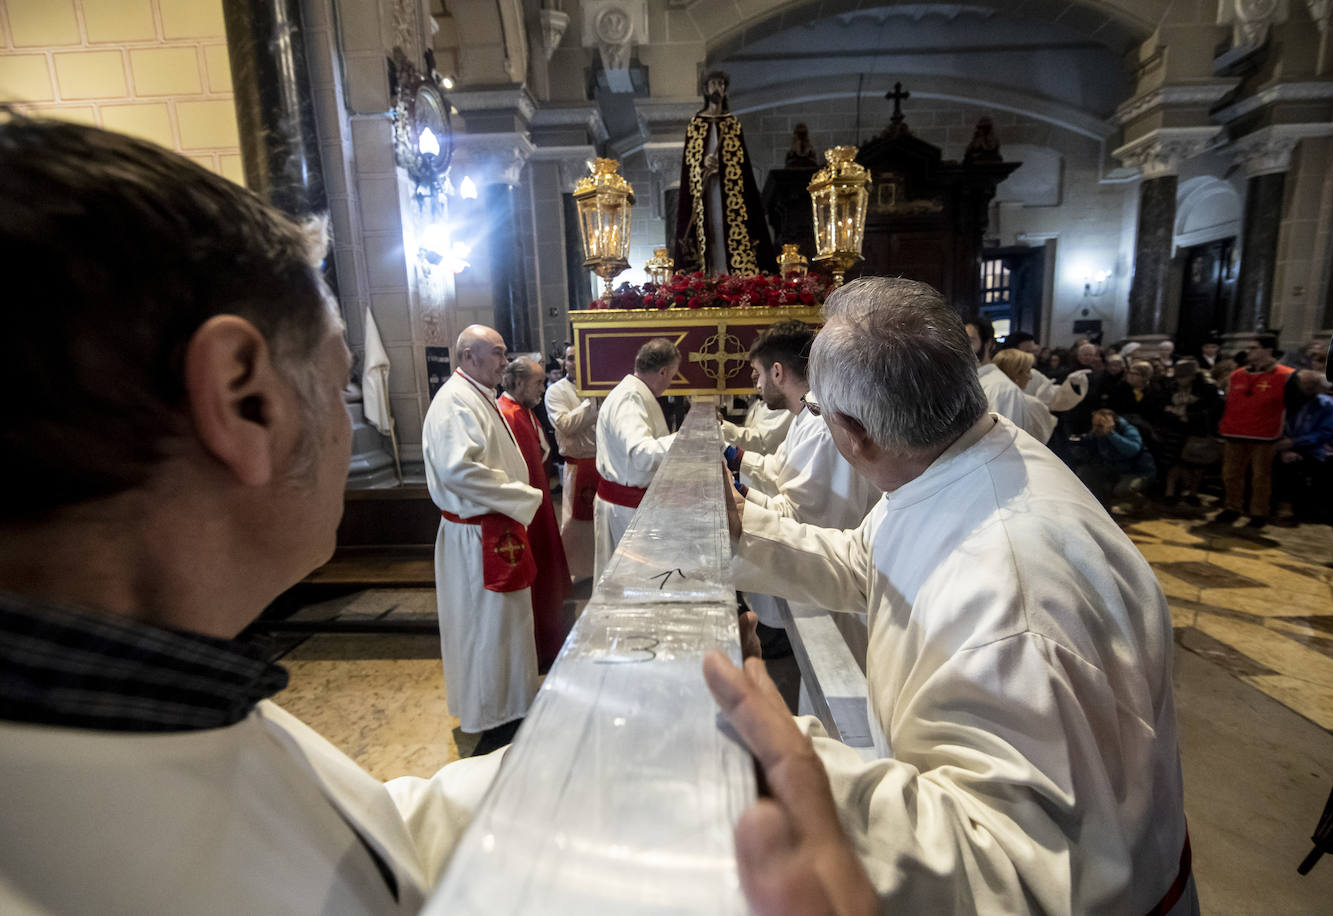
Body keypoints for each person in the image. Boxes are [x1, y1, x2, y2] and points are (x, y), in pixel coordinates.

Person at [0, 114, 880, 916]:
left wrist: (614, 748)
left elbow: (365, 843)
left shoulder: (144, 706)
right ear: (245, 399)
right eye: (337, 377)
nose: (352, 424)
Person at [727, 277, 1193, 914]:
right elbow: (867, 562)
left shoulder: (1011, 597)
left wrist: (779, 759)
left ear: (853, 432)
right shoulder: (959, 459)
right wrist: (744, 524)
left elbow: (1007, 864)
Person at [424, 325, 545, 753]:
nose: (504, 360)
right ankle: (495, 722)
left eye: (504, 352)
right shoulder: (456, 401)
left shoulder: (476, 394)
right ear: (468, 356)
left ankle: (509, 710)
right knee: (488, 630)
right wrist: (523, 497)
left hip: (492, 530)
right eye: (496, 353)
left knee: (505, 628)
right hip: (478, 536)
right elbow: (460, 469)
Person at [728, 320, 878, 660]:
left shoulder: (824, 425)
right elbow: (781, 472)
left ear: (777, 372)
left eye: (758, 374)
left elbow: (804, 517)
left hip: (835, 582)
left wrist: (739, 503)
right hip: (824, 567)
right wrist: (738, 465)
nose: (757, 384)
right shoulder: (806, 417)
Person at [498, 356, 572, 670]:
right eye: (538, 382)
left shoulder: (525, 411)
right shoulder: (508, 414)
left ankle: (552, 640)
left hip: (538, 505)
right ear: (517, 382)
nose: (544, 387)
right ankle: (541, 647)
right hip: (526, 511)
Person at [672, 69, 774, 276]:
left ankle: (730, 272)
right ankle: (709, 273)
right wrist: (703, 167)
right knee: (709, 230)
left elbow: (742, 167)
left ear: (725, 90)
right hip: (705, 194)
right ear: (705, 89)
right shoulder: (695, 125)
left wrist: (723, 168)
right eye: (713, 84)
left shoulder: (732, 124)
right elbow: (689, 168)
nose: (716, 88)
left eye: (720, 84)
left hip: (729, 195)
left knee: (726, 228)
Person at [593, 337, 680, 576]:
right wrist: (685, 437)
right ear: (663, 371)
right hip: (626, 508)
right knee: (632, 581)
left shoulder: (634, 393)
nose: (670, 383)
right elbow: (642, 454)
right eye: (672, 376)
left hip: (630, 504)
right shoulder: (630, 397)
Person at [1215, 333, 1295, 529]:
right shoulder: (1237, 375)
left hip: (1265, 434)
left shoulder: (1286, 375)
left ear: (1268, 350)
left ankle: (1259, 512)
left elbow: (1294, 407)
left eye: (1253, 348)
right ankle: (1232, 507)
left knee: (1260, 476)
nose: (1248, 352)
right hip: (1235, 432)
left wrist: (1290, 437)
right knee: (1231, 474)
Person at [544, 344, 598, 580]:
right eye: (570, 358)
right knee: (575, 522)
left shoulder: (602, 388)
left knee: (602, 520)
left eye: (580, 357)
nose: (575, 362)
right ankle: (576, 572)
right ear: (563, 363)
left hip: (603, 465)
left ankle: (600, 568)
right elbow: (566, 425)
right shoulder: (556, 391)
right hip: (577, 465)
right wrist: (592, 401)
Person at [965, 316, 1054, 442]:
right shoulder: (966, 382)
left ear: (988, 344)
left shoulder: (1001, 388)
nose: (961, 348)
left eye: (970, 341)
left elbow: (1002, 445)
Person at [1273, 369, 1333, 522]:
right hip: (1283, 444)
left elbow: (1324, 433)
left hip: (1316, 448)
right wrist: (1285, 445)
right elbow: (1278, 425)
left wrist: (1294, 443)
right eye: (1304, 383)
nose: (1308, 387)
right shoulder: (1287, 402)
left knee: (1294, 464)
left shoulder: (1327, 405)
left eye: (1312, 384)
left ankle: (1288, 506)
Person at [1158, 358, 1222, 506]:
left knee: (1196, 463)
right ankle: (1170, 492)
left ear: (1193, 375)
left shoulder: (1207, 388)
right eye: (1178, 377)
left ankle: (1193, 493)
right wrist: (1173, 412)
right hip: (1176, 428)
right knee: (1174, 461)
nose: (1180, 381)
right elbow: (1163, 405)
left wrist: (1190, 416)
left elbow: (1214, 410)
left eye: (1184, 377)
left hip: (1197, 430)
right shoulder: (1172, 387)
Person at [1076, 408, 1158, 513]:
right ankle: (1103, 503)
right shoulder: (1098, 433)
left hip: (1138, 472)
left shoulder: (1129, 430)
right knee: (1086, 472)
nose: (1095, 429)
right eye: (1094, 425)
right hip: (1116, 470)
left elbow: (1132, 450)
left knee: (1121, 490)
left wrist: (1111, 434)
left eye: (1099, 426)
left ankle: (1139, 501)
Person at [991, 348, 1058, 441]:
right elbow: (1043, 439)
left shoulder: (989, 396)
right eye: (1027, 371)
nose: (1030, 377)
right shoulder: (1031, 404)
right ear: (1015, 374)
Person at [722, 394, 793, 457]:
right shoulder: (758, 402)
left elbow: (759, 441)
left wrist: (722, 425)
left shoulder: (783, 406)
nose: (755, 380)